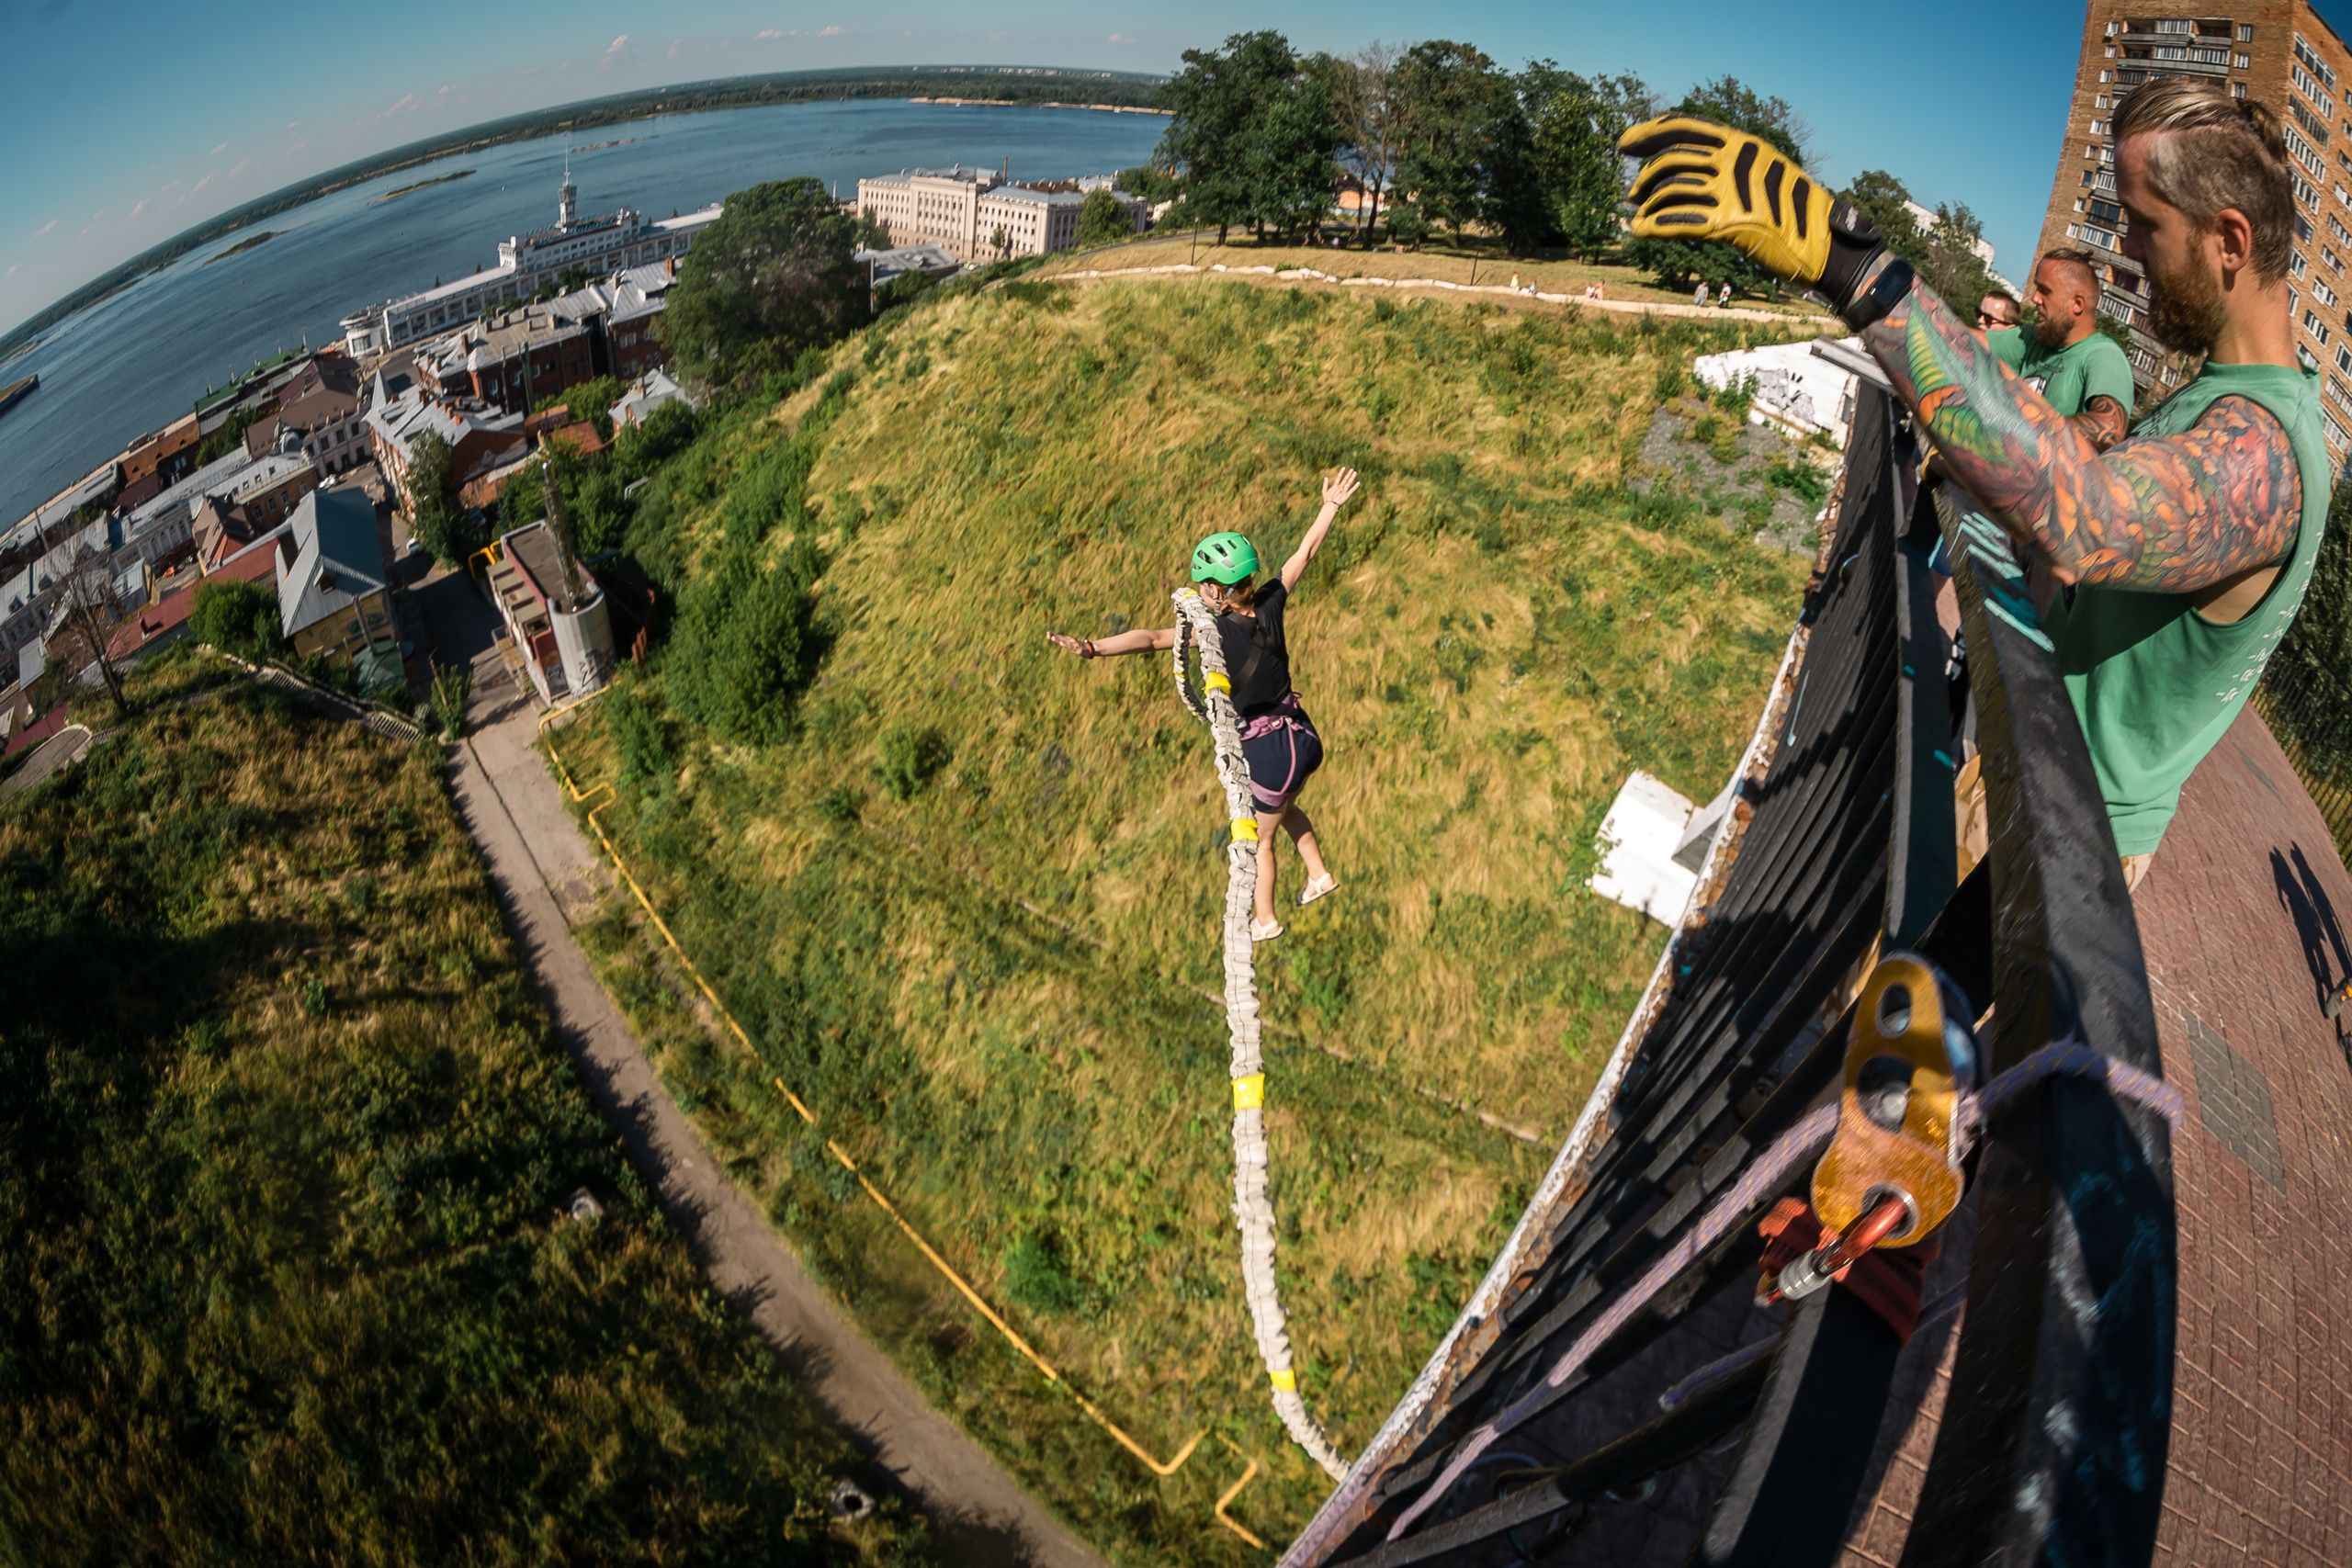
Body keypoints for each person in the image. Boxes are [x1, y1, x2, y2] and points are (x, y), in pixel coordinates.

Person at [1621, 78, 2331, 890]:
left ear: (2230, 241)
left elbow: (2086, 518)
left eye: (2145, 222)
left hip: (2065, 826)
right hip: (2038, 770)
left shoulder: (2267, 451)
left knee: (1893, 1009)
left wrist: (1854, 268)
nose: (2129, 250)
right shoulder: (2229, 400)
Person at [1046, 469, 1362, 941]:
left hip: (1271, 753)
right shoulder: (1272, 601)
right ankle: (1319, 876)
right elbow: (1305, 553)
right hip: (1303, 735)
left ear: (1216, 590)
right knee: (1285, 806)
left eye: (1202, 585)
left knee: (1260, 838)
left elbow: (1153, 638)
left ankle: (1266, 919)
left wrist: (1092, 648)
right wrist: (1330, 507)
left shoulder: (1214, 633)